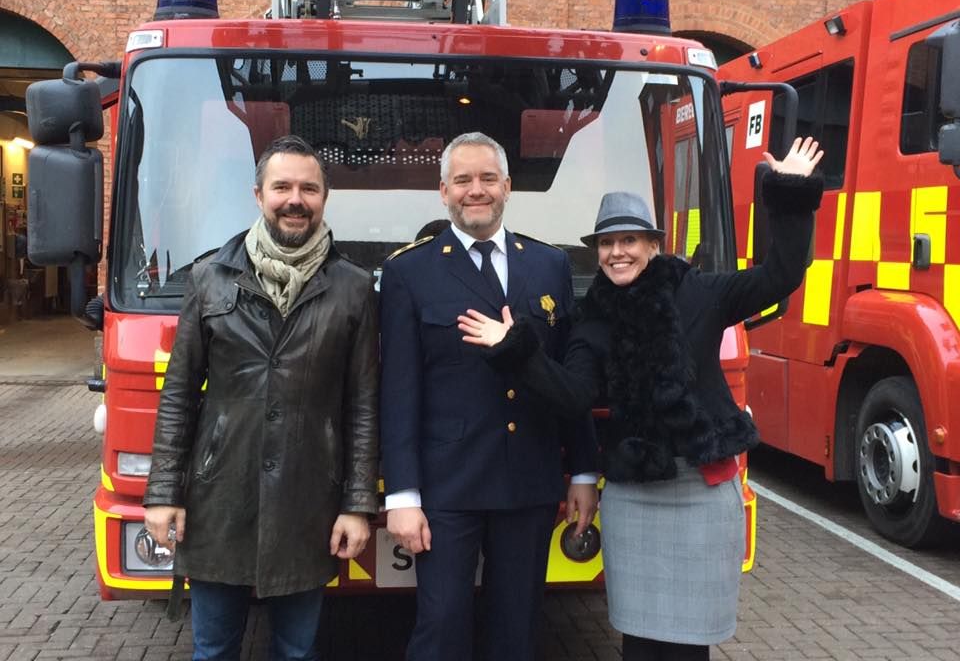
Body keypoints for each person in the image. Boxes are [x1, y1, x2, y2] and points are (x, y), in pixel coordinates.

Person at [458, 137, 825, 661]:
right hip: (634, 495)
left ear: (653, 245)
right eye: (606, 244)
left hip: (700, 487)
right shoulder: (595, 319)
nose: (617, 252)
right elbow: (573, 394)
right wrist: (517, 350)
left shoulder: (700, 293)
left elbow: (782, 274)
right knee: (639, 640)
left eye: (629, 240)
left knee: (688, 644)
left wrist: (788, 193)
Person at [143, 134, 379, 661]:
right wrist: (163, 492)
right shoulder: (209, 279)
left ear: (324, 197)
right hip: (218, 498)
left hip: (307, 500)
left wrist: (357, 505)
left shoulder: (353, 288)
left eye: (309, 188)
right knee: (213, 651)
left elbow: (363, 406)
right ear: (258, 195)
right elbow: (179, 393)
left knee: (298, 653)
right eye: (282, 187)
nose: (295, 199)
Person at [379, 131, 600, 661]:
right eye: (462, 180)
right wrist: (402, 495)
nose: (474, 190)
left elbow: (565, 381)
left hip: (529, 479)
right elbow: (399, 392)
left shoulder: (548, 266)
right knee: (442, 625)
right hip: (449, 485)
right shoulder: (409, 271)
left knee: (518, 629)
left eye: (486, 179)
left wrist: (586, 473)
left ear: (506, 186)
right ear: (443, 192)